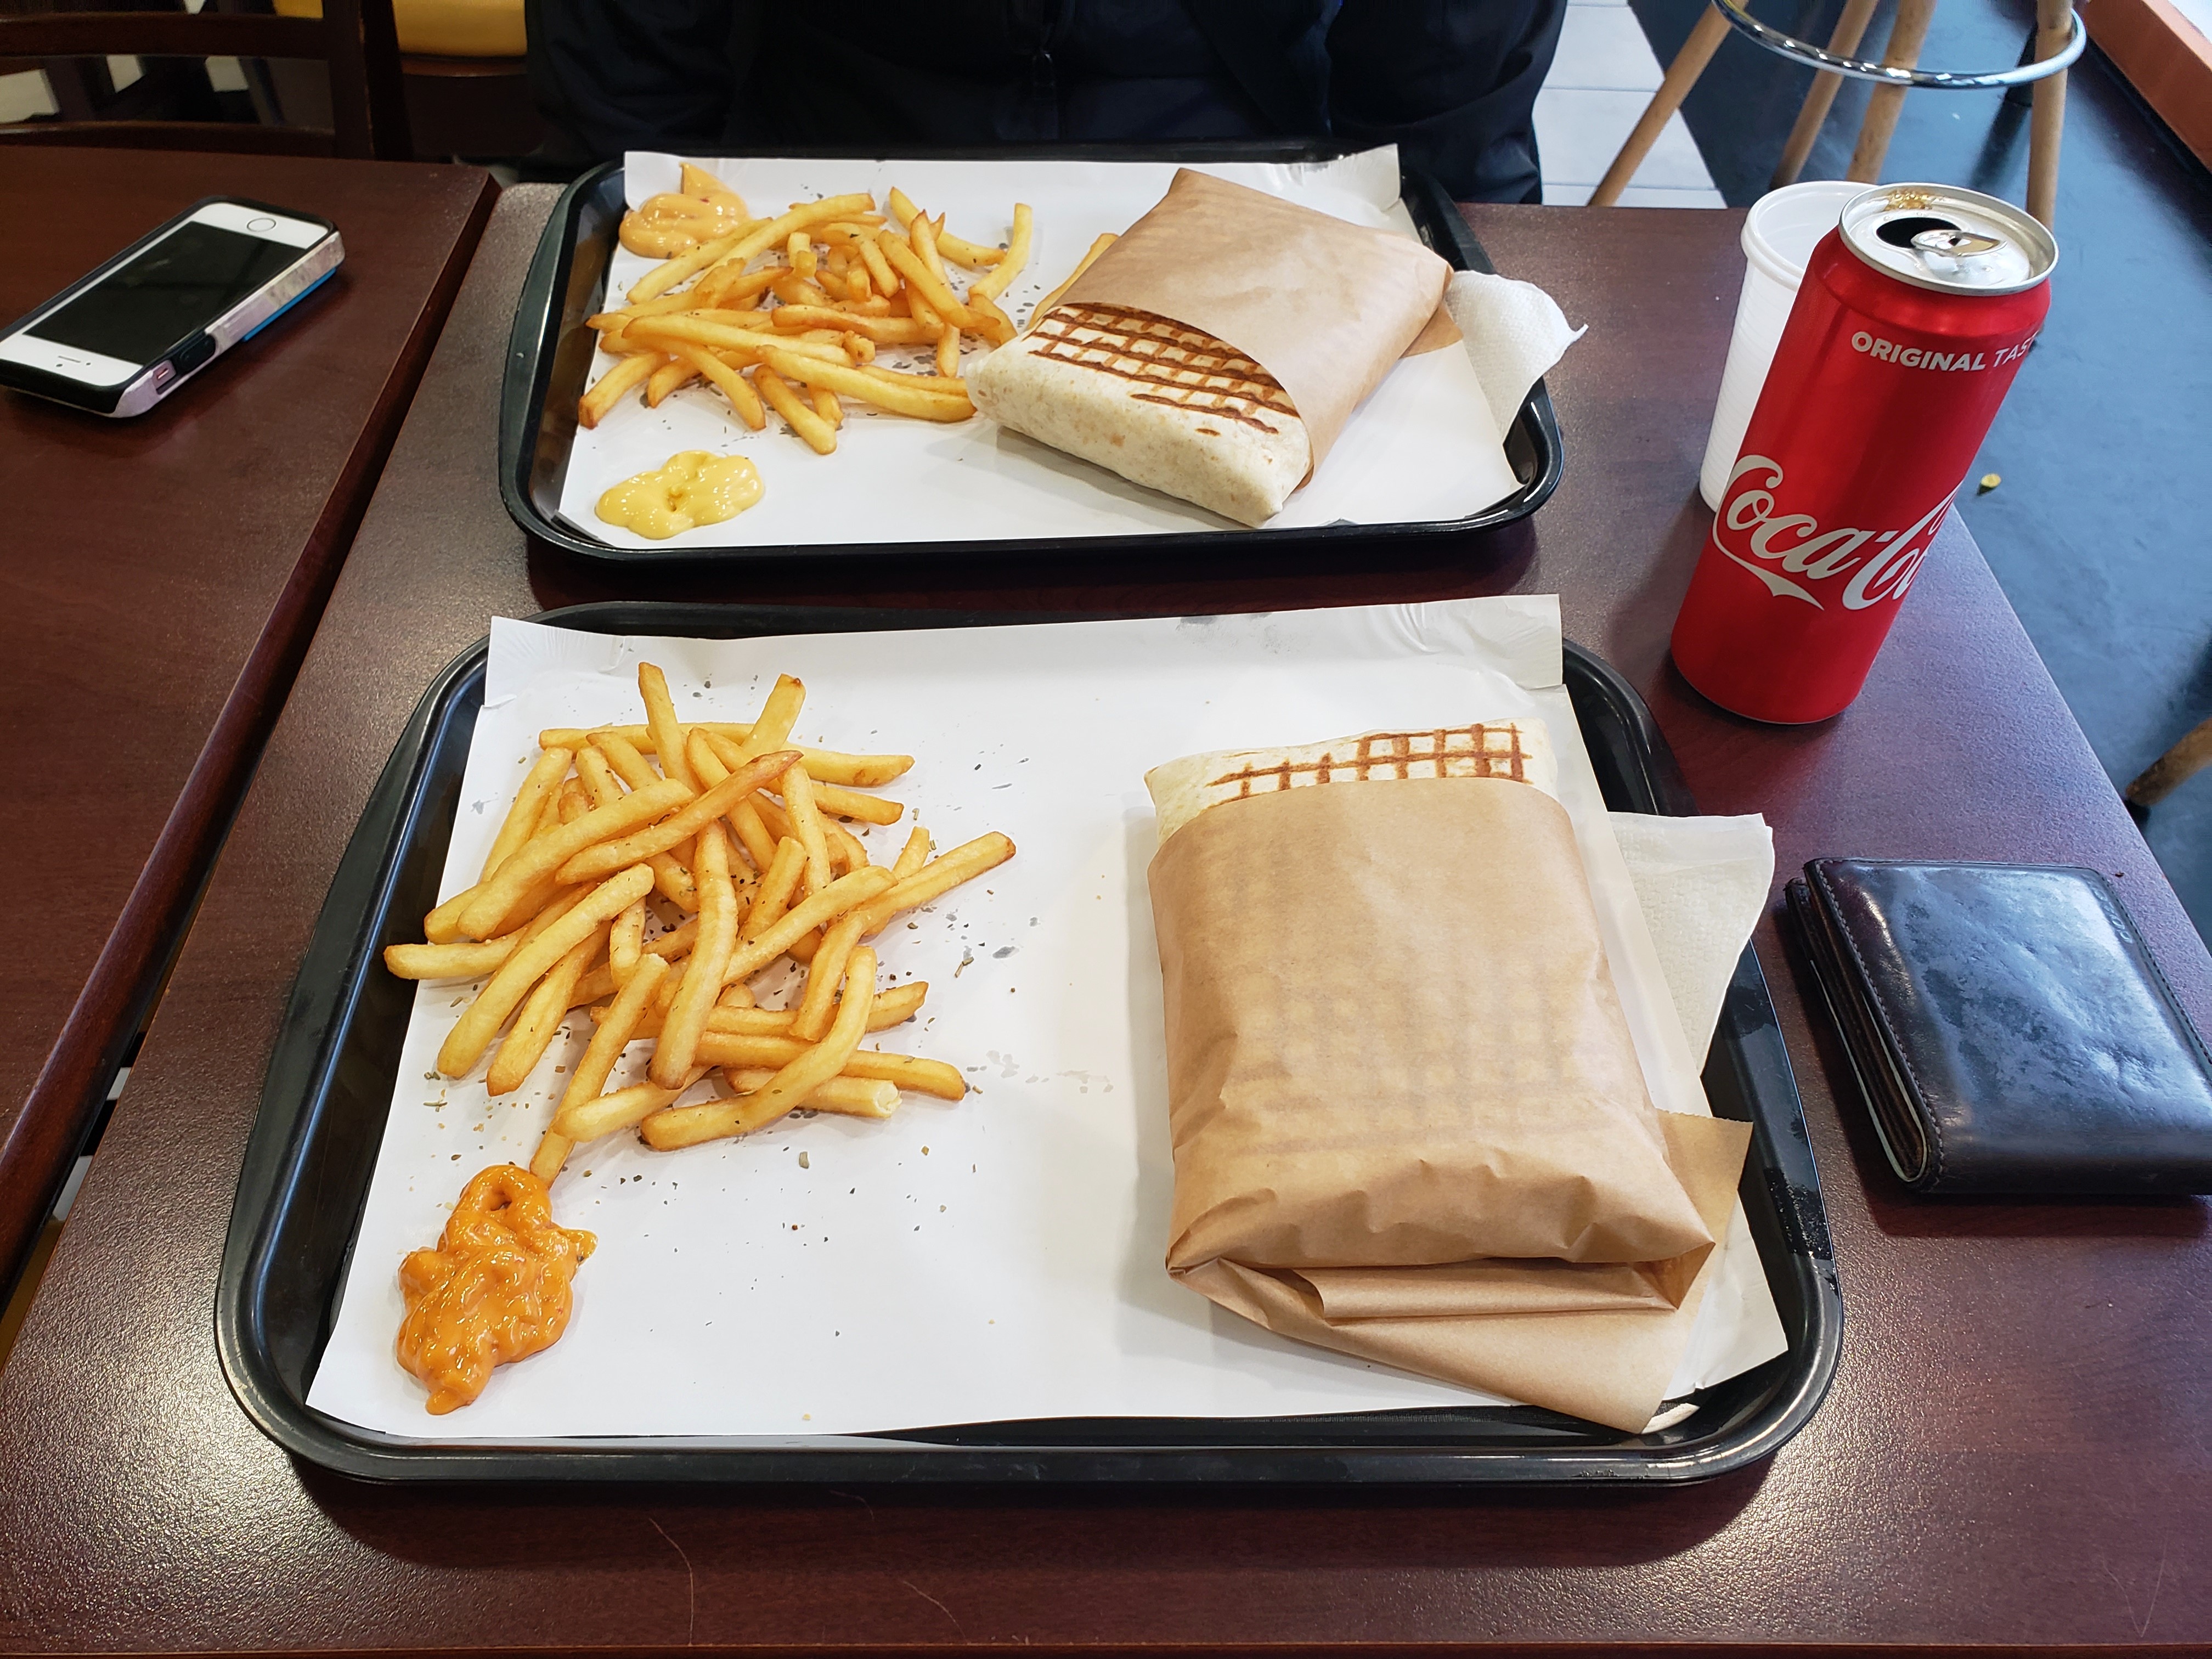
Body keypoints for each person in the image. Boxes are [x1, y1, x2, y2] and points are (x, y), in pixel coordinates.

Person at [525, 0, 1565, 204]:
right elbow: (626, 64)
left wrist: (1461, 243)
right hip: (825, 159)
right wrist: (638, 212)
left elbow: (1451, 69)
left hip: (1252, 159)